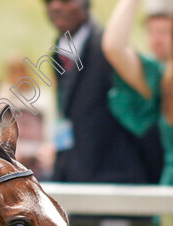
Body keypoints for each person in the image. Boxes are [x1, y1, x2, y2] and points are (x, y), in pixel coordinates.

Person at [102, 0, 173, 226]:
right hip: (169, 207)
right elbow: (114, 46)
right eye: (153, 32)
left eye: (167, 32)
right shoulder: (161, 76)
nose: (157, 39)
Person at [44, 0, 162, 183]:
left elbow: (114, 47)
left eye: (66, 0)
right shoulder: (59, 53)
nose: (56, 6)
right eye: (48, 1)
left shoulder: (109, 51)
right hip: (73, 177)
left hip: (117, 180)